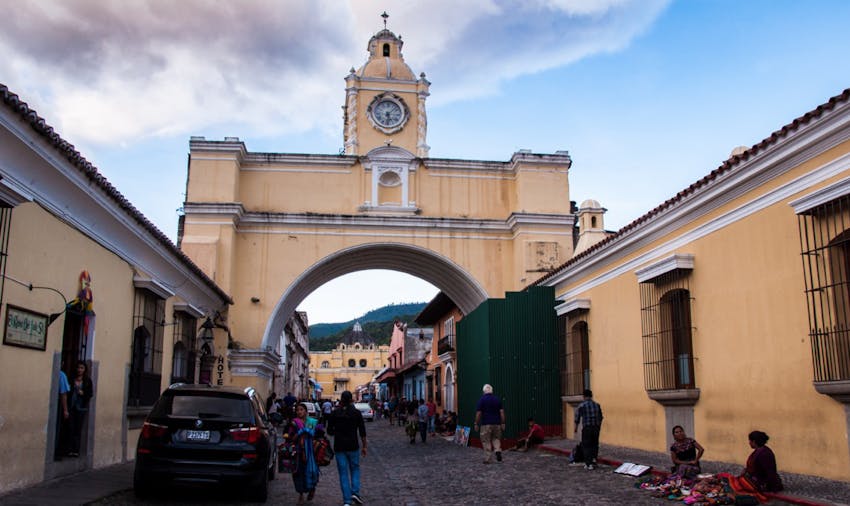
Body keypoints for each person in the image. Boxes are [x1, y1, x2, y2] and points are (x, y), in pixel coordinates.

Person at [327, 390, 367, 506]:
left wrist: (337, 432)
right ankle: (355, 492)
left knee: (343, 473)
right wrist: (364, 446)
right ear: (351, 400)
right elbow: (362, 432)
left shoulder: (335, 413)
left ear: (341, 399)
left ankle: (347, 501)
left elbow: (329, 431)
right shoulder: (356, 413)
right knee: (355, 469)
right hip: (353, 446)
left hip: (339, 447)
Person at [289, 403, 320, 504]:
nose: (299, 412)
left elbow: (319, 435)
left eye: (301, 410)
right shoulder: (294, 423)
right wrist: (300, 433)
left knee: (312, 471)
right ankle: (301, 494)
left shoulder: (312, 422)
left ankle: (312, 489)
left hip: (311, 452)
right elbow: (290, 438)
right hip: (298, 451)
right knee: (298, 472)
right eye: (297, 410)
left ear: (306, 411)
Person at [68, 361, 94, 457]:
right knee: (70, 427)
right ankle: (69, 449)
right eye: (78, 367)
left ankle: (76, 450)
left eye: (82, 368)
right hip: (71, 406)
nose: (79, 370)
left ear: (84, 370)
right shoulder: (72, 379)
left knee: (78, 429)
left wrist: (83, 394)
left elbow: (90, 394)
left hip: (81, 407)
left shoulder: (87, 381)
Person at [474, 384, 505, 464]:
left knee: (486, 440)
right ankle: (497, 450)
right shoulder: (497, 399)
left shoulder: (482, 400)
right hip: (497, 424)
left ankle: (488, 458)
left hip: (486, 424)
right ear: (492, 390)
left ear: (484, 391)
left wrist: (476, 423)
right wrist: (503, 423)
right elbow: (501, 412)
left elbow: (478, 413)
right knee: (496, 438)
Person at [574, 389, 603, 470]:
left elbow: (577, 417)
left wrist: (576, 428)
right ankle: (594, 460)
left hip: (587, 428)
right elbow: (601, 417)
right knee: (594, 444)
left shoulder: (582, 405)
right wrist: (598, 426)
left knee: (586, 445)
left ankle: (588, 463)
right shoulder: (597, 405)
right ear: (591, 396)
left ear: (584, 396)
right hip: (595, 428)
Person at [54, 368, 71, 460]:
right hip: (57, 406)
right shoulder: (61, 375)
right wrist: (65, 409)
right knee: (56, 430)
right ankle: (55, 451)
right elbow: (63, 393)